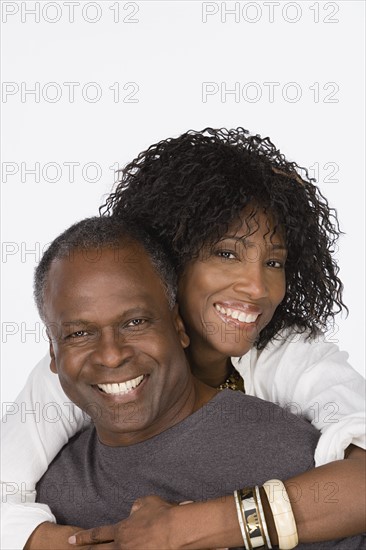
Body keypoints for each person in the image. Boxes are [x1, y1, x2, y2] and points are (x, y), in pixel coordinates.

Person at [1, 128, 365, 549]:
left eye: (274, 262)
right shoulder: (82, 367)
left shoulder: (289, 355)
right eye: (226, 253)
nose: (257, 287)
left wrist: (187, 528)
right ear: (171, 256)